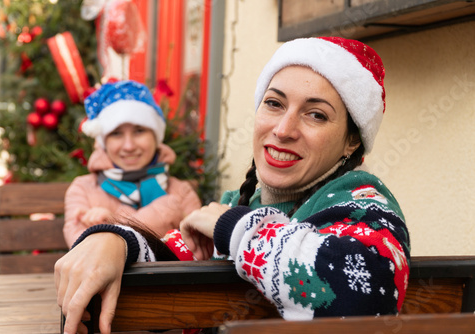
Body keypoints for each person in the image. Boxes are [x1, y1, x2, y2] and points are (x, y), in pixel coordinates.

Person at [55, 37, 410, 334]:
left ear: (352, 142)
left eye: (316, 114)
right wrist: (115, 241)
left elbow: (365, 297)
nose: (284, 129)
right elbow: (174, 257)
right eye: (274, 103)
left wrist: (236, 228)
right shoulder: (243, 204)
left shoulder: (365, 206)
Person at [63, 80, 202, 248]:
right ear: (104, 142)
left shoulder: (182, 193)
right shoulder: (83, 189)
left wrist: (113, 223)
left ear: (156, 137)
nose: (128, 146)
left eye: (139, 131)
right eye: (116, 134)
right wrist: (168, 212)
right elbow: (81, 250)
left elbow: (195, 250)